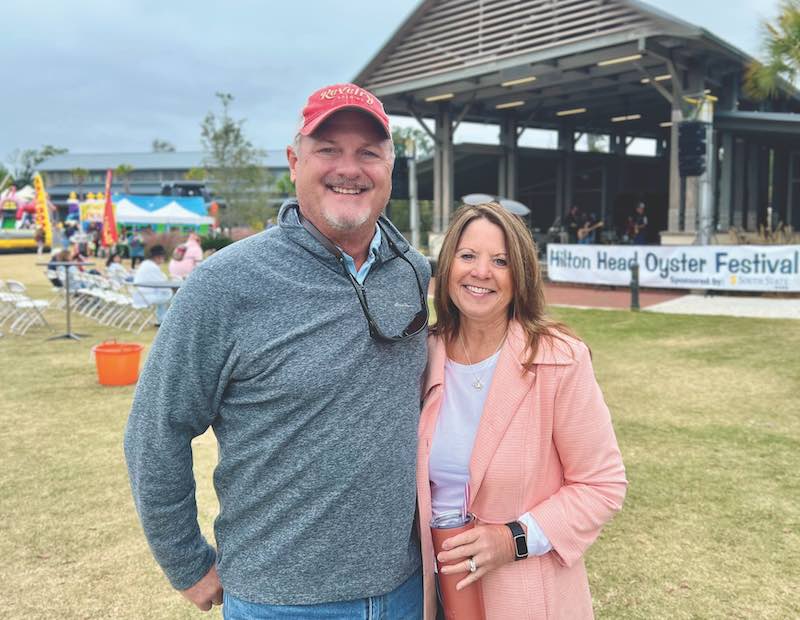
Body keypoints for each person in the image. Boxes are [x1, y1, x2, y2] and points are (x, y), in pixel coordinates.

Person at [124, 83, 431, 618]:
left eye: (368, 152)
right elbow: (156, 428)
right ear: (294, 161)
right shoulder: (224, 284)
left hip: (408, 587)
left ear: (390, 167)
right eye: (328, 149)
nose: (349, 168)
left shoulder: (413, 273)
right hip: (279, 599)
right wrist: (186, 563)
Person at [417, 202, 627, 619]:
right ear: (447, 265)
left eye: (501, 261)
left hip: (528, 599)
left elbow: (602, 485)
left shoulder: (558, 359)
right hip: (434, 596)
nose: (481, 272)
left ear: (521, 276)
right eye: (467, 256)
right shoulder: (422, 354)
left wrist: (513, 538)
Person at [131, 244, 172, 324]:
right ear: (158, 257)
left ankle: (160, 319)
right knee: (171, 296)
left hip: (140, 294)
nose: (163, 259)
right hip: (145, 297)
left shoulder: (145, 264)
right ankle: (162, 320)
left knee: (165, 295)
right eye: (163, 257)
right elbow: (163, 285)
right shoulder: (152, 267)